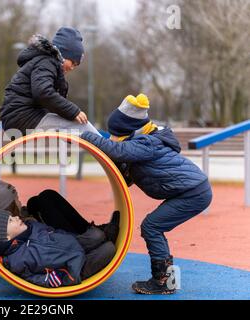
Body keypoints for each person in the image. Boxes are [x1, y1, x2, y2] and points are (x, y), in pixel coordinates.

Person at [80, 93, 213, 295]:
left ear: (130, 131)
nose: (114, 138)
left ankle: (161, 280)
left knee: (152, 226)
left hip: (193, 193)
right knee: (154, 226)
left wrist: (84, 135)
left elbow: (117, 150)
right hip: (190, 190)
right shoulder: (142, 145)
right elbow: (128, 173)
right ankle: (166, 278)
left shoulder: (147, 143)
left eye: (117, 134)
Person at [0, 27, 100, 136]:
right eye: (72, 62)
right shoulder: (46, 62)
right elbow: (43, 92)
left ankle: (106, 147)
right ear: (63, 54)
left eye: (76, 65)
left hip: (21, 117)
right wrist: (73, 111)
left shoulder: (46, 64)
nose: (72, 68)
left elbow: (46, 98)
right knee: (81, 125)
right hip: (22, 117)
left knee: (71, 127)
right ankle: (110, 150)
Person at [0, 209, 116, 288]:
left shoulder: (31, 226)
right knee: (109, 250)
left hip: (75, 243)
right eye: (10, 221)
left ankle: (107, 233)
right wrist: (53, 279)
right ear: (7, 237)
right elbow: (31, 278)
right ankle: (109, 238)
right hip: (73, 268)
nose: (16, 217)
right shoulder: (15, 261)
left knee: (97, 235)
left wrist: (66, 237)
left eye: (12, 216)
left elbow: (52, 230)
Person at [0, 179, 119, 243]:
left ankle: (90, 229)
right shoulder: (9, 233)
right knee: (46, 198)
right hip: (60, 243)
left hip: (48, 235)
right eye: (16, 199)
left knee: (36, 201)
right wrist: (30, 221)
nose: (19, 200)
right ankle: (97, 236)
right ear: (8, 206)